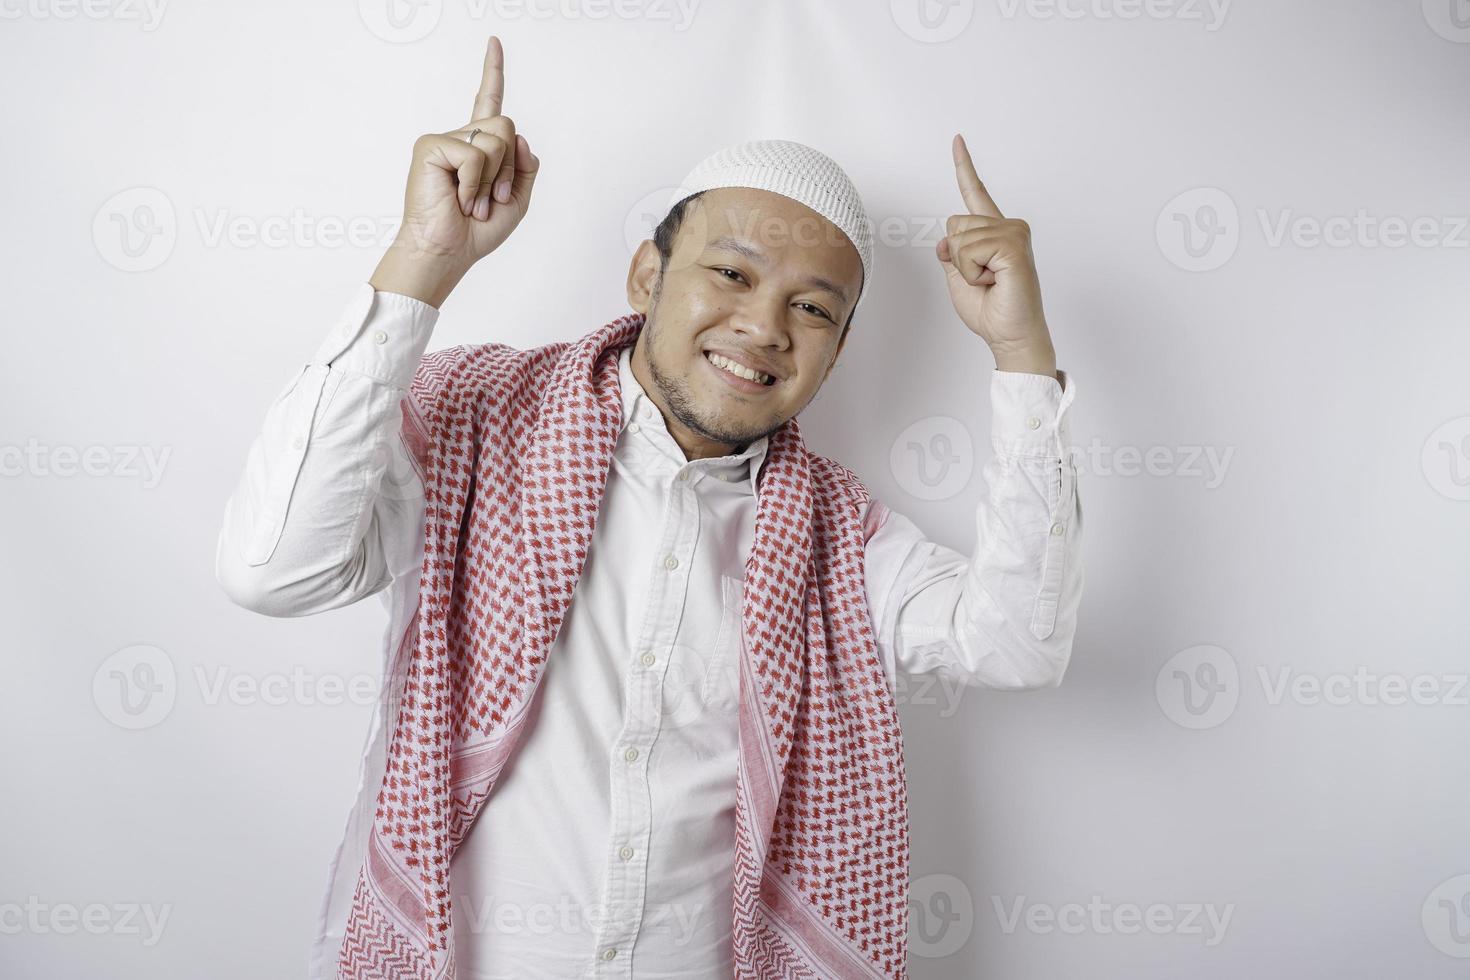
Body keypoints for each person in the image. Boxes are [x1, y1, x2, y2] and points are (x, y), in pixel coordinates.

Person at [215, 35, 1082, 980]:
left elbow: (1017, 643)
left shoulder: (840, 536)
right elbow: (273, 571)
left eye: (814, 310)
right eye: (733, 274)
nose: (763, 328)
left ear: (838, 349)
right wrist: (424, 258)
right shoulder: (476, 421)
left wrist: (1022, 354)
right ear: (646, 276)